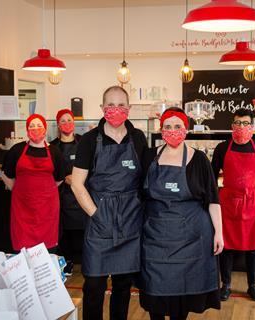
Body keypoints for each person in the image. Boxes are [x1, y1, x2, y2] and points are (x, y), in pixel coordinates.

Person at [139, 108, 223, 320]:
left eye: (178, 126)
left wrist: (219, 233)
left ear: (186, 129)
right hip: (155, 237)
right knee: (154, 294)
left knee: (181, 298)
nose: (173, 131)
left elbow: (213, 200)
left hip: (191, 238)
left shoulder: (200, 160)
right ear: (161, 129)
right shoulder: (149, 156)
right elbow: (138, 196)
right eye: (168, 127)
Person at [71, 86, 147, 320]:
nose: (116, 109)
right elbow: (77, 184)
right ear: (102, 108)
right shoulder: (89, 140)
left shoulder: (138, 137)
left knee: (123, 285)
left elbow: (146, 179)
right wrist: (97, 215)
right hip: (99, 217)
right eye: (110, 105)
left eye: (121, 105)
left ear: (129, 108)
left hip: (130, 218)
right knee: (94, 284)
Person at [212, 108, 255, 301]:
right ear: (232, 126)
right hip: (227, 203)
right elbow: (211, 179)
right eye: (238, 123)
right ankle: (226, 285)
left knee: (253, 248)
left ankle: (252, 286)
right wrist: (213, 204)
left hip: (252, 203)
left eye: (246, 123)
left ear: (252, 126)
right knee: (226, 248)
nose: (241, 127)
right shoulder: (222, 148)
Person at [1, 114, 65, 252]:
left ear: (45, 129)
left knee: (47, 248)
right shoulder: (17, 150)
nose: (35, 129)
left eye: (39, 126)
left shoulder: (54, 151)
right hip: (22, 207)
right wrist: (18, 191)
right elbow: (5, 174)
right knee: (22, 246)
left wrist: (46, 192)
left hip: (47, 208)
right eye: (32, 126)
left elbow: (60, 178)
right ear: (27, 129)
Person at [50, 108, 86, 275]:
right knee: (66, 231)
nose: (67, 124)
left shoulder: (84, 143)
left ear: (74, 123)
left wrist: (78, 180)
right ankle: (67, 262)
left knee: (84, 230)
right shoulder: (52, 146)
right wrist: (66, 178)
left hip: (82, 192)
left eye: (69, 120)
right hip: (63, 196)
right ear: (58, 124)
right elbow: (54, 171)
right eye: (63, 121)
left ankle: (86, 261)